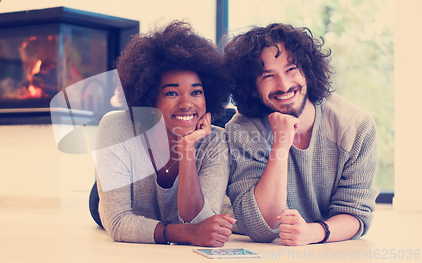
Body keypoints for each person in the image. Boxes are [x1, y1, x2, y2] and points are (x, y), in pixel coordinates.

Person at [223, 23, 379, 246]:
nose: (284, 85)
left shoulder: (356, 126)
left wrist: (314, 232)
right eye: (268, 76)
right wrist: (280, 145)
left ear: (307, 70)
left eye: (291, 69)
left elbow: (357, 213)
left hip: (320, 240)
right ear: (253, 88)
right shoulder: (242, 129)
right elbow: (261, 226)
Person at [91, 21, 235, 247]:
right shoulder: (115, 127)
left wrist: (188, 149)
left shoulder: (216, 141)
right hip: (131, 199)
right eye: (172, 93)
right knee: (101, 208)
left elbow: (202, 224)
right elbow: (118, 222)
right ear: (149, 99)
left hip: (170, 209)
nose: (187, 104)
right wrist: (185, 233)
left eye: (196, 91)